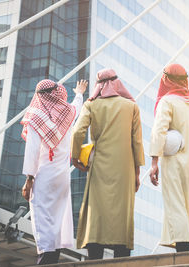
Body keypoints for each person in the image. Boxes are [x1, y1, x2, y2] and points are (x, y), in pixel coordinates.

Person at [71, 69, 144, 259]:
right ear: (117, 83)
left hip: (99, 165)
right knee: (122, 212)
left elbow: (78, 132)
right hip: (125, 168)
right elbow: (136, 142)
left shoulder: (91, 105)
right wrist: (137, 173)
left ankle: (95, 257)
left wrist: (75, 157)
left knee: (96, 211)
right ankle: (122, 256)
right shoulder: (131, 106)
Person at [21, 79, 87, 265]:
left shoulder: (36, 117)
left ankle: (45, 259)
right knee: (57, 221)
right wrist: (80, 92)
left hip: (43, 176)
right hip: (62, 178)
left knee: (42, 221)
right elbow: (76, 105)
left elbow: (33, 151)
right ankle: (52, 258)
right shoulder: (67, 113)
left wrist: (29, 180)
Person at [149, 63, 189, 252]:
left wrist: (154, 162)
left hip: (175, 163)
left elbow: (159, 131)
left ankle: (183, 249)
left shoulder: (168, 101)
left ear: (166, 79)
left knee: (176, 204)